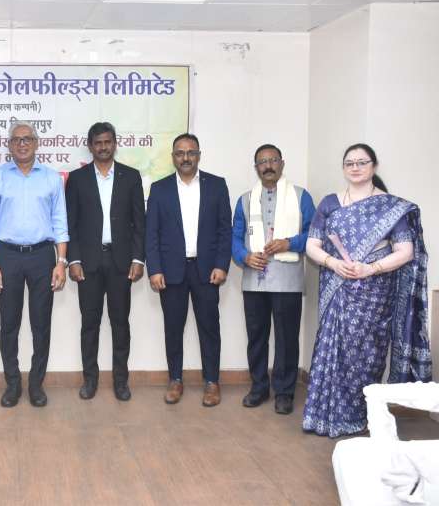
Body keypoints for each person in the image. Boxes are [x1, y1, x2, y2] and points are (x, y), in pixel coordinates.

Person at [303, 143, 431, 437]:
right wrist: (333, 263)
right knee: (332, 349)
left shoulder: (391, 207)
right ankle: (323, 416)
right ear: (343, 168)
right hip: (337, 287)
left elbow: (406, 251)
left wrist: (370, 268)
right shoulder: (330, 203)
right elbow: (312, 244)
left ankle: (357, 415)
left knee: (367, 354)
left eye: (362, 162)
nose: (356, 167)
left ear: (374, 166)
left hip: (375, 293)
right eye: (350, 163)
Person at [0, 121, 69, 408]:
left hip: (43, 256)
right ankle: (12, 385)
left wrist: (61, 262)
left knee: (41, 324)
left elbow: (60, 222)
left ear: (36, 143)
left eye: (27, 139)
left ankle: (35, 385)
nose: (22, 144)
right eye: (16, 139)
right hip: (7, 257)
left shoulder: (51, 178)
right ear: (9, 145)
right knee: (9, 324)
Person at [145, 133, 231, 407]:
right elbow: (151, 233)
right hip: (171, 271)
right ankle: (175, 379)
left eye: (191, 152)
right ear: (173, 157)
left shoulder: (216, 186)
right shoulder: (159, 189)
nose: (186, 158)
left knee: (210, 328)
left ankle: (212, 382)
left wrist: (221, 264)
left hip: (207, 270)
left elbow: (225, 230)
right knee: (173, 328)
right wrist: (154, 269)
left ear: (199, 156)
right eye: (180, 153)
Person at [231, 144, 315, 415]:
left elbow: (314, 234)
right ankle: (258, 388)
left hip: (287, 281)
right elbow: (235, 237)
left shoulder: (300, 196)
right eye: (262, 161)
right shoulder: (245, 200)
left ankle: (284, 392)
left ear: (282, 163)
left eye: (272, 160)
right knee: (256, 337)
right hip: (254, 280)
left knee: (286, 338)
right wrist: (245, 257)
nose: (268, 165)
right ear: (256, 167)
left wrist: (289, 243)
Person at [65, 122, 145, 401]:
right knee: (90, 324)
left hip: (121, 261)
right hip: (88, 262)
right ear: (90, 146)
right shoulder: (77, 179)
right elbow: (71, 224)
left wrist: (138, 258)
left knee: (120, 324)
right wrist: (73, 260)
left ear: (114, 144)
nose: (103, 147)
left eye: (107, 142)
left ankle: (121, 382)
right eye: (97, 142)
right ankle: (90, 380)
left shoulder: (131, 176)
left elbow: (139, 222)